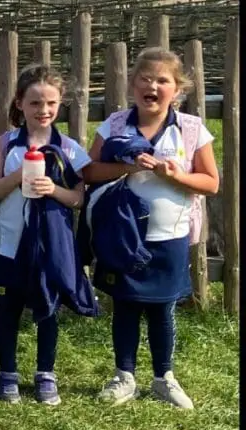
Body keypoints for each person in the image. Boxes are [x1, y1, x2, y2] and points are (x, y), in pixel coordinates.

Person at [86, 48, 219, 410]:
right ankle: (124, 377)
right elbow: (89, 171)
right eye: (145, 78)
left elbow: (210, 182)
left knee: (163, 310)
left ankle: (164, 378)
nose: (153, 86)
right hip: (122, 236)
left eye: (163, 80)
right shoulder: (115, 125)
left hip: (169, 238)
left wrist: (175, 175)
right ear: (133, 85)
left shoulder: (190, 129)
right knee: (125, 306)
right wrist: (127, 167)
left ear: (177, 89)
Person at [0, 64, 95, 406]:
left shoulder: (69, 148)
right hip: (9, 242)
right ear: (19, 103)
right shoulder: (7, 143)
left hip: (50, 246)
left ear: (60, 104)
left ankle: (46, 373)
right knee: (9, 309)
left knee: (48, 309)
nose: (43, 110)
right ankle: (7, 374)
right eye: (34, 103)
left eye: (50, 103)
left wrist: (53, 190)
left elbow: (79, 198)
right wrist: (18, 176)